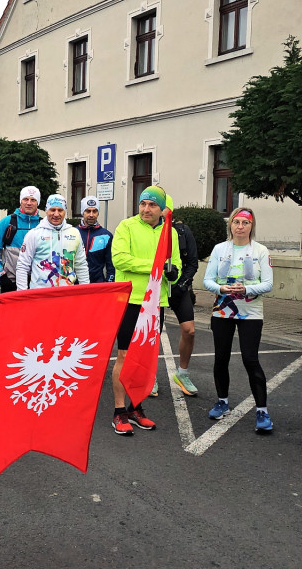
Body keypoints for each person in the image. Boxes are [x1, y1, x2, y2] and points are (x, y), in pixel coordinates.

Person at [108, 185, 181, 435]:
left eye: (152, 205)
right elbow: (120, 259)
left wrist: (173, 273)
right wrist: (157, 265)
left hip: (155, 304)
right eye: (143, 204)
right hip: (130, 301)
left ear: (162, 209)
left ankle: (136, 408)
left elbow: (176, 264)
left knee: (144, 360)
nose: (146, 209)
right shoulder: (126, 226)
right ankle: (119, 412)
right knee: (125, 357)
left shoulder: (169, 231)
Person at [203, 206, 275, 432]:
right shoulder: (219, 249)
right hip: (222, 311)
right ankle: (222, 401)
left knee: (250, 359)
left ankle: (262, 411)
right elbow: (207, 280)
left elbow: (268, 283)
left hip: (250, 313)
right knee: (221, 358)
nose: (240, 227)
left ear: (252, 226)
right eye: (237, 222)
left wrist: (246, 289)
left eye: (246, 223)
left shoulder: (261, 251)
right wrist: (222, 287)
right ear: (230, 225)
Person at [16, 193, 90, 290]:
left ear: (65, 212)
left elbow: (81, 265)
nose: (56, 214)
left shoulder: (75, 233)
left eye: (60, 210)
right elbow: (22, 266)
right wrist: (22, 294)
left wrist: (87, 291)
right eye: (52, 210)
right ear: (47, 211)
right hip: (40, 295)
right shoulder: (34, 234)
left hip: (67, 294)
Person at [167, 219, 200, 397]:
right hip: (157, 287)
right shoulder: (148, 231)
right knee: (152, 334)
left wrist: (181, 284)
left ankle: (182, 373)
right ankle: (150, 377)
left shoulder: (182, 231)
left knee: (189, 331)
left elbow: (193, 263)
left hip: (179, 287)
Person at [0, 186, 42, 292]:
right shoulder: (7, 222)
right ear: (20, 201)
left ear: (38, 203)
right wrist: (2, 274)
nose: (29, 203)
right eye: (25, 199)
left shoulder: (43, 224)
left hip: (37, 281)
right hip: (10, 280)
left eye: (33, 200)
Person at [76, 196, 115, 283]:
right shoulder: (73, 233)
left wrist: (109, 283)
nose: (91, 215)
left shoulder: (106, 235)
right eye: (88, 211)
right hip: (75, 285)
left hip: (98, 285)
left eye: (94, 211)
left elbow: (111, 265)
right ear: (82, 212)